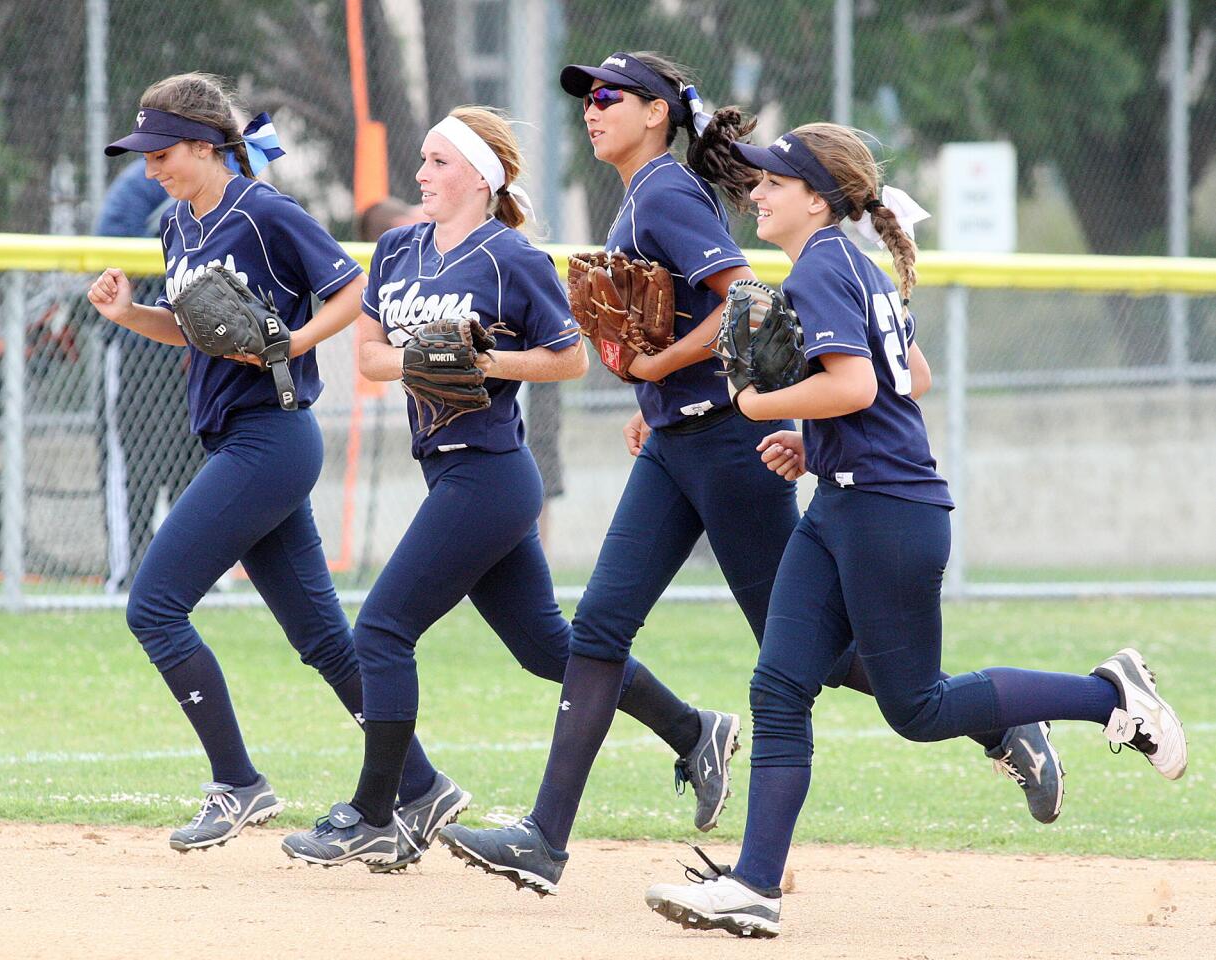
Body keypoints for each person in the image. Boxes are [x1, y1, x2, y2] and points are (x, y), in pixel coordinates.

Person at [439, 50, 1061, 898]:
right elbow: (696, 324)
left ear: (657, 112)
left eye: (610, 96)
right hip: (675, 443)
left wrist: (668, 373)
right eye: (586, 96)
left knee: (808, 650)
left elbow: (744, 299)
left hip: (732, 444)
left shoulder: (662, 190)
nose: (591, 107)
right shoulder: (640, 195)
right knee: (598, 630)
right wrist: (659, 390)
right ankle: (543, 840)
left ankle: (998, 722)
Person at [642, 122, 1188, 938]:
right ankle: (755, 888)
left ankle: (1107, 696)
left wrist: (757, 405)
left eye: (769, 184)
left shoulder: (826, 266)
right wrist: (813, 437)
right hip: (843, 504)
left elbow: (859, 386)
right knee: (779, 685)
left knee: (919, 708)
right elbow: (910, 378)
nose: (753, 194)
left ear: (816, 198)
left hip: (887, 513)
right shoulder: (844, 265)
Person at [280, 106, 735, 882]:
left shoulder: (510, 258)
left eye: (437, 162)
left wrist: (485, 364)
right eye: (422, 161)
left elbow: (566, 361)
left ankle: (381, 811)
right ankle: (694, 729)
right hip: (449, 469)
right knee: (547, 649)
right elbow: (370, 358)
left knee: (382, 629)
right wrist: (435, 352)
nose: (420, 175)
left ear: (480, 178)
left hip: (490, 475)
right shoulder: (396, 250)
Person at [87, 72, 450, 858]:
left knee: (152, 606)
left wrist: (293, 342)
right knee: (323, 639)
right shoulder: (178, 226)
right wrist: (128, 314)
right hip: (234, 441)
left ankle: (237, 782)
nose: (151, 168)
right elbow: (198, 332)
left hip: (271, 438)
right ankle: (420, 785)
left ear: (205, 144)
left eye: (162, 153)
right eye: (145, 155)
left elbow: (354, 290)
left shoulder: (264, 212)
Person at [95, 157, 206, 593]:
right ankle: (129, 570)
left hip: (205, 353)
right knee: (136, 465)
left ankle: (199, 572)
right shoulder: (143, 185)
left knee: (197, 463)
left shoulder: (235, 187)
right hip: (141, 348)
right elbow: (111, 249)